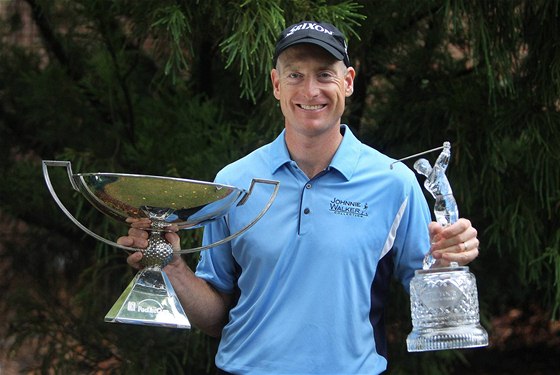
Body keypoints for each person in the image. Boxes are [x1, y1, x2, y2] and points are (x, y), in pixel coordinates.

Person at [118, 21, 480, 375]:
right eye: (295, 75)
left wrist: (451, 258)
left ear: (348, 82)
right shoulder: (234, 182)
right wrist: (172, 266)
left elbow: (435, 296)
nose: (310, 91)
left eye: (325, 74)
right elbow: (214, 319)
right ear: (277, 84)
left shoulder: (393, 183)